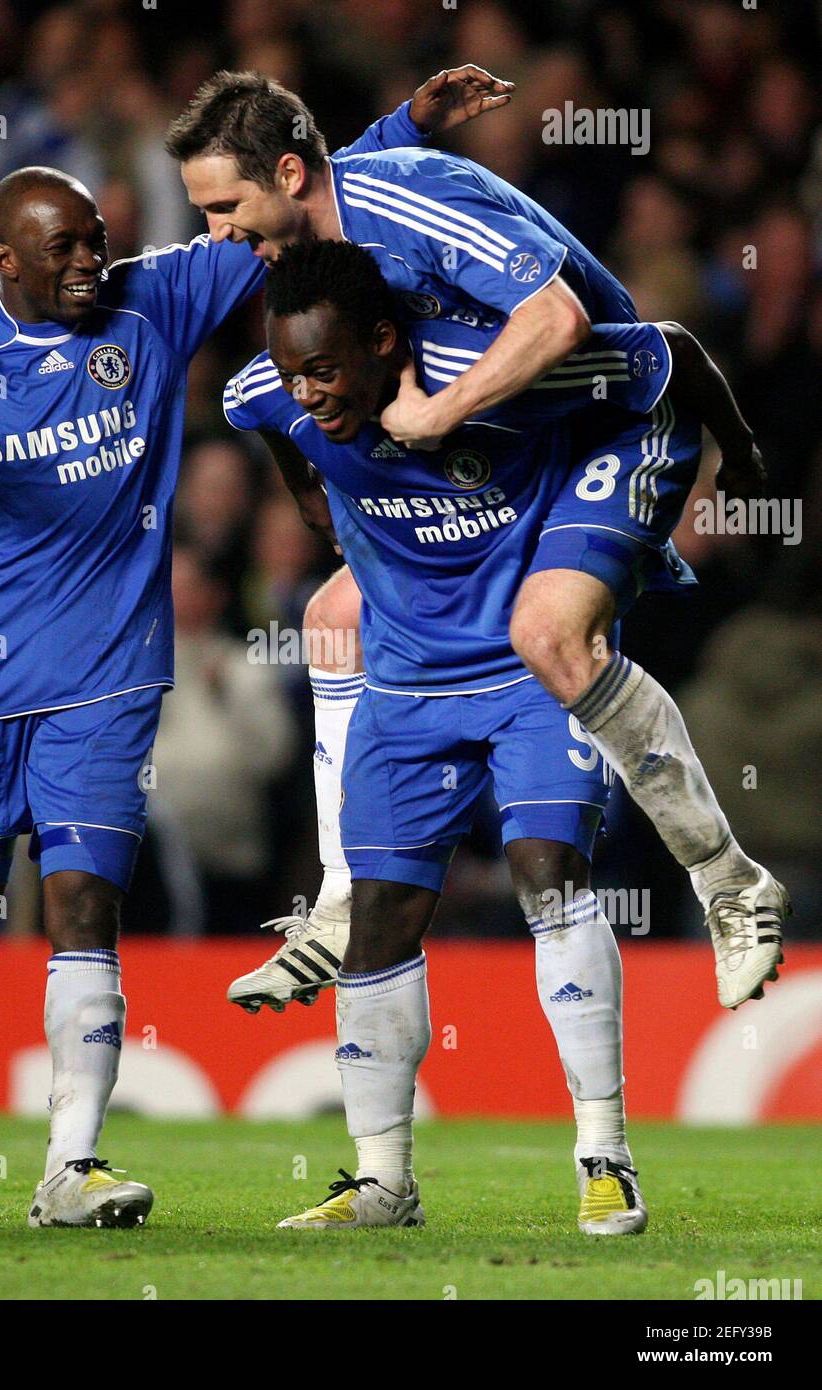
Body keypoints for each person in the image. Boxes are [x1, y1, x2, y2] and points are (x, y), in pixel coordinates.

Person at [0, 70, 492, 1229]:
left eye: (99, 241)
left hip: (106, 683)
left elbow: (295, 198)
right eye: (66, 249)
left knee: (81, 906)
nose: (92, 262)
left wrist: (407, 125)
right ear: (7, 262)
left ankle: (72, 1166)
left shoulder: (154, 302)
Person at [167, 71, 789, 1009]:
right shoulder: (324, 221)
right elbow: (347, 159)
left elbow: (561, 321)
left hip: (614, 414)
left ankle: (729, 880)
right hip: (515, 442)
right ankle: (340, 901)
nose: (215, 231)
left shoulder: (413, 200)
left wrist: (436, 416)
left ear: (289, 174)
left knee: (547, 635)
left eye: (223, 206)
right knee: (336, 613)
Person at [221, 239, 772, 1232]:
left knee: (547, 872)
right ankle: (382, 1180)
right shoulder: (263, 394)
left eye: (326, 369)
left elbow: (672, 349)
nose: (306, 392)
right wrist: (358, 546)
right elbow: (298, 468)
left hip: (525, 674)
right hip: (403, 686)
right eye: (293, 371)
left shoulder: (501, 368)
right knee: (379, 922)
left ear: (387, 340)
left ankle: (605, 1158)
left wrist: (741, 456)